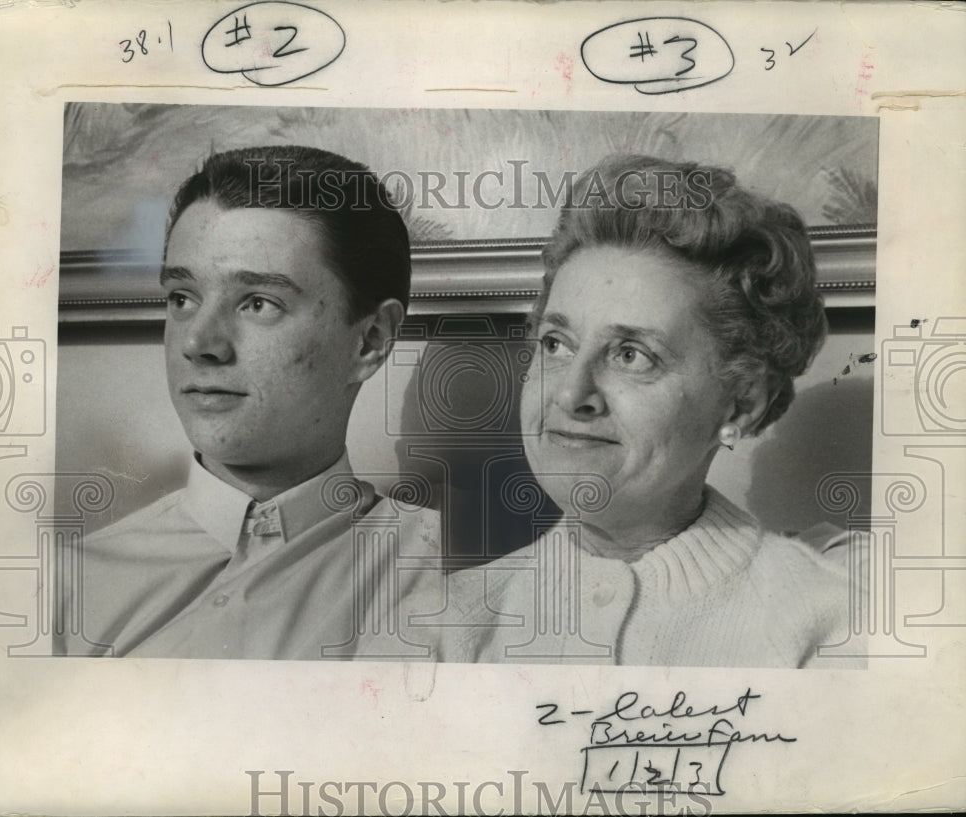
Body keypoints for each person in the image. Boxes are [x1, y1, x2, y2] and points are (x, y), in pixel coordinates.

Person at [403, 154, 863, 668]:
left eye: (631, 355)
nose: (570, 394)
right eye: (555, 343)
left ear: (742, 402)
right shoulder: (440, 627)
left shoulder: (834, 623)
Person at [56, 145, 440, 660]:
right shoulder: (61, 589)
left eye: (258, 303)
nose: (198, 343)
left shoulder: (451, 573)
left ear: (370, 341)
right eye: (182, 298)